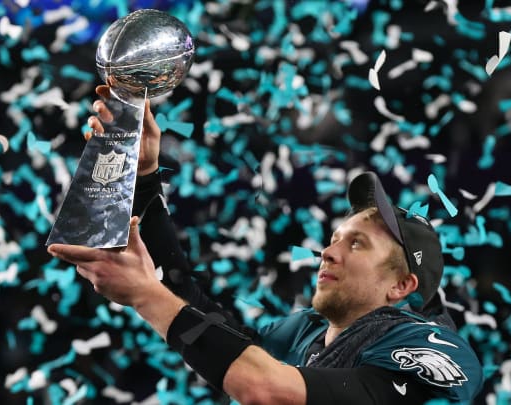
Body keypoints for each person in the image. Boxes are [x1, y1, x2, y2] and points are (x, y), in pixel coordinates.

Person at [47, 85, 484, 404]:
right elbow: (204, 320)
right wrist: (144, 179)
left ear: (402, 286)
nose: (327, 252)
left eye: (357, 246)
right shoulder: (310, 331)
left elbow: (269, 390)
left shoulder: (436, 349)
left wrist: (145, 295)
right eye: (334, 239)